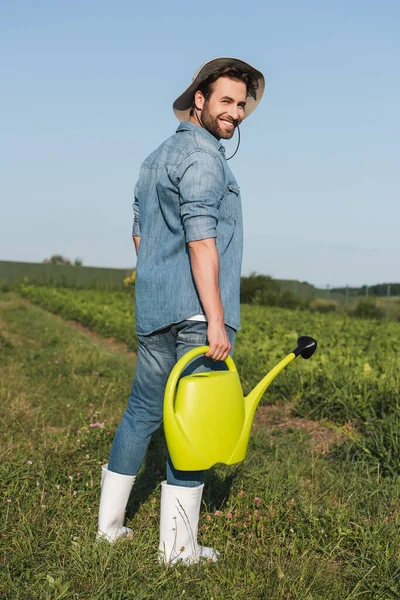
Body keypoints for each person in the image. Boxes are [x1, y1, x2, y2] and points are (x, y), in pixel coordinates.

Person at [97, 57, 265, 565]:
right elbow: (202, 243)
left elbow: (139, 235)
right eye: (226, 101)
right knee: (193, 422)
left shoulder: (153, 159)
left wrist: (158, 282)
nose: (235, 112)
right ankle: (178, 548)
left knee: (142, 413)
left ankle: (108, 529)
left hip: (153, 310)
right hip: (196, 315)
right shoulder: (206, 159)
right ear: (200, 100)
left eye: (241, 104)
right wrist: (214, 318)